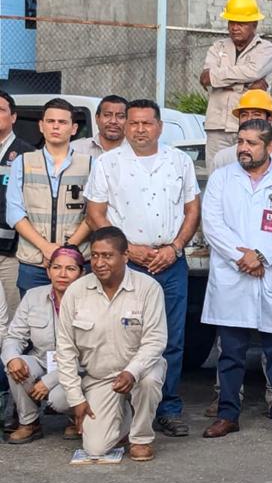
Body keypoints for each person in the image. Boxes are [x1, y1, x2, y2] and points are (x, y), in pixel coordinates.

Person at [84, 99, 200, 438]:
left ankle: (168, 407)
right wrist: (127, 250)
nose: (139, 129)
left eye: (146, 123)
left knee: (170, 339)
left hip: (170, 262)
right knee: (119, 337)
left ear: (159, 127)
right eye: (133, 123)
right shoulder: (108, 163)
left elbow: (192, 210)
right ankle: (121, 406)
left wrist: (175, 247)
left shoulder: (179, 161)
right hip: (126, 265)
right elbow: (96, 214)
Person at [200, 120, 272, 440]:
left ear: (270, 147)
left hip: (271, 272)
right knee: (231, 350)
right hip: (233, 274)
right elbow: (213, 224)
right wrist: (242, 258)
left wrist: (260, 256)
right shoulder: (221, 178)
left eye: (252, 143)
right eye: (241, 141)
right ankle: (227, 413)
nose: (244, 148)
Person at [56, 226, 168, 462]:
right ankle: (123, 417)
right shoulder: (76, 292)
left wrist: (132, 371)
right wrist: (76, 400)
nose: (99, 262)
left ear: (125, 256)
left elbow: (155, 340)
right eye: (95, 255)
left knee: (148, 380)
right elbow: (65, 350)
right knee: (95, 449)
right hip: (100, 378)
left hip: (140, 369)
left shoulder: (148, 288)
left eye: (107, 255)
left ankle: (141, 438)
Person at [8, 98, 91, 296]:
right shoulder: (23, 162)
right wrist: (46, 248)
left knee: (77, 322)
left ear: (73, 128)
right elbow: (14, 212)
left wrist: (65, 252)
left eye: (62, 122)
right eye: (50, 121)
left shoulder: (90, 165)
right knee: (35, 322)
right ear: (41, 126)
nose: (56, 126)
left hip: (76, 263)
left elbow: (93, 214)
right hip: (34, 263)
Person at [3, 246, 86, 443]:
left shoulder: (90, 301)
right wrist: (12, 358)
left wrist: (49, 382)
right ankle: (29, 422)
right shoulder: (33, 296)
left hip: (79, 368)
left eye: (71, 269)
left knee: (59, 397)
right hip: (43, 361)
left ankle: (75, 418)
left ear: (82, 273)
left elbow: (90, 356)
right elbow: (14, 336)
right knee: (17, 365)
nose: (62, 274)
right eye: (56, 267)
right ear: (48, 271)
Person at [201, 0, 272, 166]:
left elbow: (253, 70)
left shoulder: (266, 49)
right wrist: (243, 84)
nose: (235, 27)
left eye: (241, 23)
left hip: (252, 127)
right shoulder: (217, 47)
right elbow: (205, 78)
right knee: (217, 175)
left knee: (251, 171)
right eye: (232, 22)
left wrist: (219, 78)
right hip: (217, 127)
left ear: (254, 25)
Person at [208, 89, 272, 186]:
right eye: (244, 115)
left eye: (256, 115)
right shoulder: (223, 158)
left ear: (269, 120)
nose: (249, 119)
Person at [0, 90, 36, 321]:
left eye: (1, 110)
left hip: (10, 252)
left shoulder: (28, 154)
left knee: (13, 318)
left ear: (13, 117)